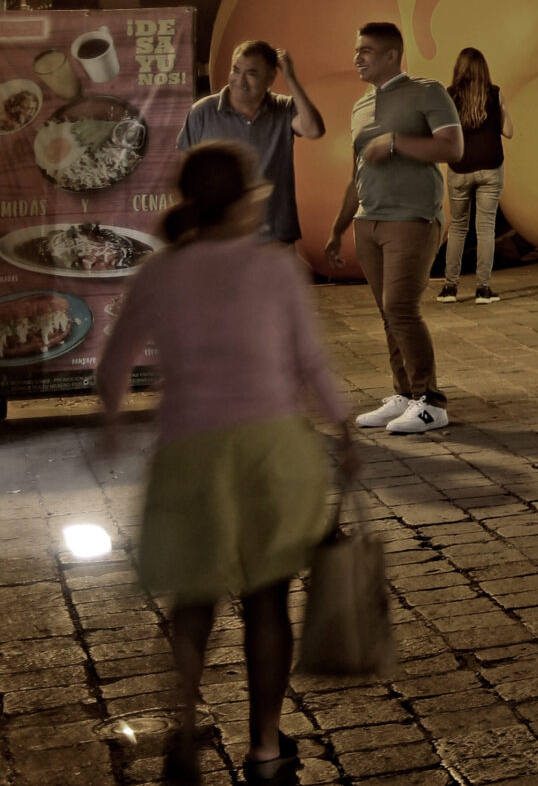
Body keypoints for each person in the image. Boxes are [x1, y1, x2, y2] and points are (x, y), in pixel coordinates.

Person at [98, 142, 358, 783]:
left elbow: (112, 369)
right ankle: (265, 749)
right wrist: (347, 429)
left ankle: (183, 730)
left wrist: (110, 426)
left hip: (189, 455)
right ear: (244, 201)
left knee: (194, 601)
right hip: (272, 452)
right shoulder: (276, 267)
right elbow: (311, 364)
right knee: (267, 604)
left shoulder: (159, 272)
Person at [325, 21, 465, 436]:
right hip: (369, 221)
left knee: (402, 308)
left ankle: (431, 402)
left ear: (392, 55)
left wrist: (396, 142)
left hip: (413, 217)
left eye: (366, 50)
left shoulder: (428, 92)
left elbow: (453, 148)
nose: (357, 58)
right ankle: (404, 394)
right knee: (389, 314)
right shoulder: (359, 106)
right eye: (356, 50)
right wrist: (338, 228)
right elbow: (357, 174)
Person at [176, 41, 325, 245]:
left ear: (270, 78)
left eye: (251, 74)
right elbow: (186, 172)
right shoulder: (203, 111)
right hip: (217, 238)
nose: (240, 81)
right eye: (236, 70)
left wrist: (290, 78)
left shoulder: (284, 108)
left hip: (274, 235)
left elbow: (314, 130)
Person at [439, 46, 512, 304]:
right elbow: (509, 131)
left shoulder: (449, 96)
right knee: (485, 229)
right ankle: (483, 289)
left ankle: (450, 288)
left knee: (458, 227)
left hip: (459, 168)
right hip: (491, 167)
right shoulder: (495, 93)